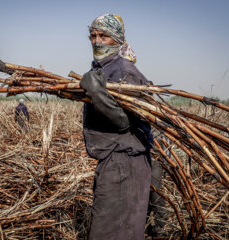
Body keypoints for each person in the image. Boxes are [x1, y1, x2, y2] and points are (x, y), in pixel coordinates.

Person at [80, 14, 164, 239]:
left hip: (124, 161)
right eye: (93, 35)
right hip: (116, 159)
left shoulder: (124, 71)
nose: (96, 41)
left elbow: (124, 122)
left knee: (110, 232)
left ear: (117, 39)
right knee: (120, 229)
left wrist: (95, 91)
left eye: (104, 36)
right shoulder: (105, 68)